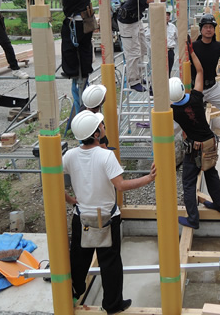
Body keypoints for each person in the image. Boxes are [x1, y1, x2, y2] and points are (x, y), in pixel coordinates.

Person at [64, 110, 156, 313]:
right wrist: (148, 179)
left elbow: (51, 181)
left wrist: (71, 200)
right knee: (111, 264)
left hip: (82, 219)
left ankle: (74, 292)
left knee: (79, 261)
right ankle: (113, 304)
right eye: (102, 125)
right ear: (96, 133)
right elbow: (120, 185)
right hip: (107, 218)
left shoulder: (69, 156)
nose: (104, 126)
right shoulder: (106, 156)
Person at [171, 44, 220, 229]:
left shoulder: (173, 111)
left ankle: (193, 219)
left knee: (188, 183)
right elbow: (200, 70)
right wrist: (191, 51)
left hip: (195, 149)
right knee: (211, 173)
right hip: (210, 143)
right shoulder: (196, 97)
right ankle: (219, 204)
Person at [117, 0, 181, 92]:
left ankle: (139, 77)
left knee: (142, 49)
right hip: (126, 23)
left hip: (136, 20)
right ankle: (133, 81)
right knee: (133, 52)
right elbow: (157, 2)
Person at [166, 11, 178, 75]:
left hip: (170, 51)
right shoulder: (157, 26)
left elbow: (177, 37)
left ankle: (169, 83)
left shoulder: (172, 26)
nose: (167, 17)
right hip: (161, 52)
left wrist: (173, 46)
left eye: (168, 15)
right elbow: (147, 37)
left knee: (169, 70)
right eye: (165, 15)